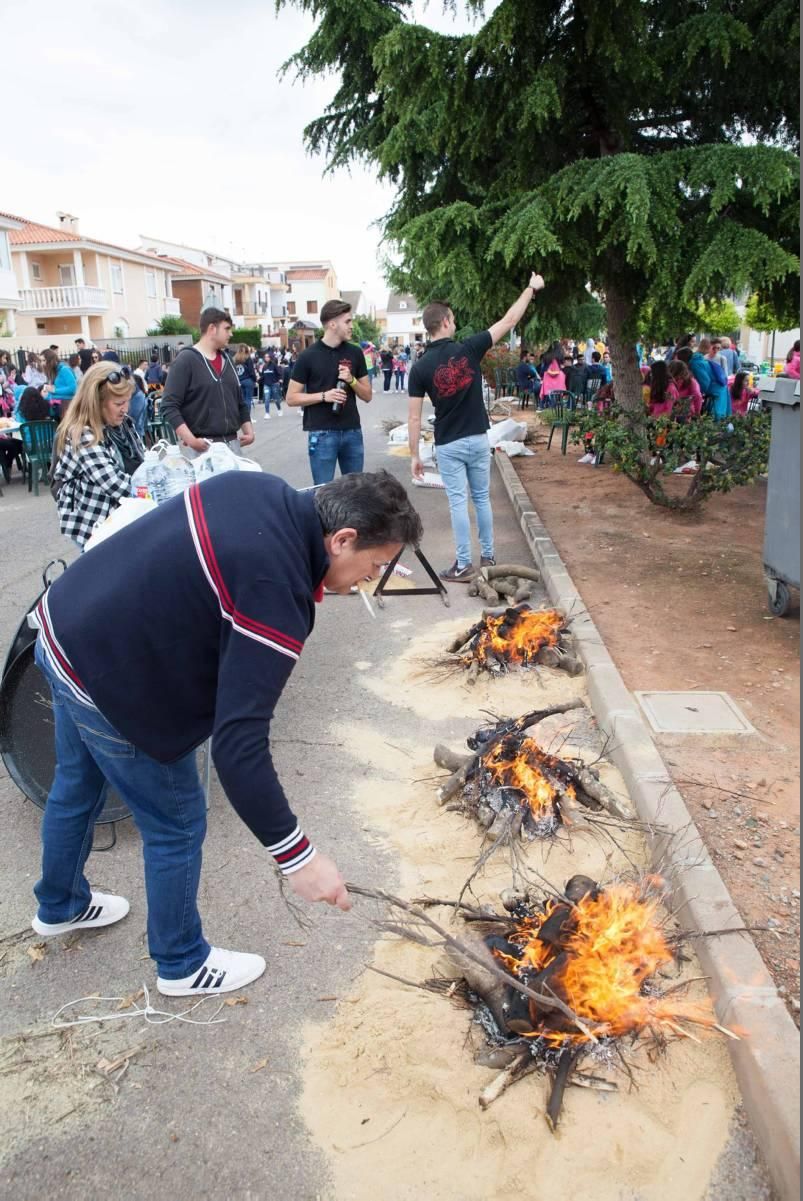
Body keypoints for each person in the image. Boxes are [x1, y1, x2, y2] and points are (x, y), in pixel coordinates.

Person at [28, 469, 422, 996]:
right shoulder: (276, 588)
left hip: (61, 626)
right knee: (177, 823)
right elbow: (240, 743)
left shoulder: (257, 490)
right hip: (105, 676)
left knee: (76, 784)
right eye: (374, 565)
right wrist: (297, 858)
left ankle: (60, 906)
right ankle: (181, 962)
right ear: (342, 539)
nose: (368, 579)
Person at [408, 272, 545, 582]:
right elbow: (509, 320)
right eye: (452, 319)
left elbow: (414, 418)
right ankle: (488, 556)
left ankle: (463, 564)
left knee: (458, 502)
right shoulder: (469, 348)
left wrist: (415, 455)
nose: (455, 323)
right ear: (443, 322)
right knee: (481, 498)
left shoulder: (419, 368)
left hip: (449, 443)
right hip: (477, 438)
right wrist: (530, 288)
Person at [51, 363, 145, 549]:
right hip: (92, 521)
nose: (125, 409)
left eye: (127, 401)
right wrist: (154, 492)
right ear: (97, 402)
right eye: (119, 403)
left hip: (119, 516)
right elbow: (113, 484)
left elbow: (143, 460)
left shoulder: (123, 423)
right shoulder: (83, 433)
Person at [286, 299, 372, 484]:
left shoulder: (355, 353)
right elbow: (291, 398)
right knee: (323, 493)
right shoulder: (308, 356)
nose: (351, 326)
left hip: (352, 431)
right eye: (347, 321)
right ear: (332, 324)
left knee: (357, 493)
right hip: (322, 433)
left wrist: (352, 380)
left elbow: (367, 395)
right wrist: (324, 396)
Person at [160, 308, 254, 457]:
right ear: (212, 328)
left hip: (232, 446)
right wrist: (191, 440)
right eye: (227, 329)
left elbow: (239, 400)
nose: (231, 334)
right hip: (203, 449)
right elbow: (169, 405)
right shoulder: (186, 360)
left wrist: (249, 431)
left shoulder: (228, 360)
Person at [42, 349, 77, 419]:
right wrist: (47, 395)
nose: (42, 363)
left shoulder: (64, 369)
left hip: (67, 407)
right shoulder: (53, 372)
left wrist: (54, 390)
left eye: (44, 360)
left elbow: (73, 388)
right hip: (57, 407)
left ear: (50, 360)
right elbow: (54, 391)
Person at [706, 339, 731, 418]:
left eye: (718, 348)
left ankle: (719, 421)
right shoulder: (704, 358)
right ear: (710, 347)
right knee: (709, 408)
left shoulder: (722, 358)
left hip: (720, 386)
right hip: (709, 385)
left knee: (719, 409)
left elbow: (725, 374)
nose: (716, 350)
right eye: (714, 348)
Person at [234, 344, 258, 415]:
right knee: (248, 399)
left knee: (242, 400)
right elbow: (251, 371)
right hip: (248, 380)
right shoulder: (248, 358)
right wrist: (254, 380)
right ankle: (247, 418)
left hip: (239, 381)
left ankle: (243, 418)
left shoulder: (235, 359)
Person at [259, 351, 282, 418]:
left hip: (274, 384)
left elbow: (279, 373)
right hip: (266, 385)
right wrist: (259, 379)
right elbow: (263, 375)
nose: (266, 358)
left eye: (267, 357)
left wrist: (280, 379)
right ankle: (267, 413)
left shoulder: (274, 365)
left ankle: (279, 409)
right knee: (267, 398)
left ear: (270, 357)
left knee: (276, 399)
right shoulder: (264, 366)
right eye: (265, 357)